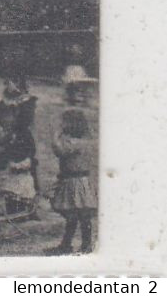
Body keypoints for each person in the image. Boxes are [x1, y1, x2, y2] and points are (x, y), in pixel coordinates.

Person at [48, 107, 97, 254]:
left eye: (64, 122)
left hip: (75, 181)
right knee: (77, 215)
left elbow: (60, 151)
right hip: (79, 180)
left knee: (79, 215)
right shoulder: (83, 140)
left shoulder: (73, 143)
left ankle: (81, 245)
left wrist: (55, 137)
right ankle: (72, 244)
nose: (62, 125)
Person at [0, 74, 40, 216]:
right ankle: (11, 206)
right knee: (6, 168)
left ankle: (29, 207)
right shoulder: (4, 102)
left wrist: (13, 127)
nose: (7, 86)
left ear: (18, 83)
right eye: (6, 83)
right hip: (8, 139)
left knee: (25, 170)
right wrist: (1, 130)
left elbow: (25, 122)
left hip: (22, 138)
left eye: (9, 83)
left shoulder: (27, 101)